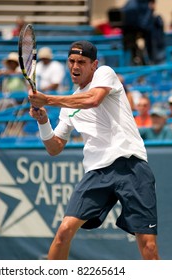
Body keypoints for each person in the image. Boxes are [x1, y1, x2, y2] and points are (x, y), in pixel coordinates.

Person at [29, 40, 160, 260]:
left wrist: (49, 99)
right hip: (97, 172)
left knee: (148, 246)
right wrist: (43, 122)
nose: (75, 66)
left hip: (131, 165)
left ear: (94, 65)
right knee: (63, 232)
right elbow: (55, 148)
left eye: (82, 61)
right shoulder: (68, 107)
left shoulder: (105, 74)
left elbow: (94, 100)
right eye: (71, 61)